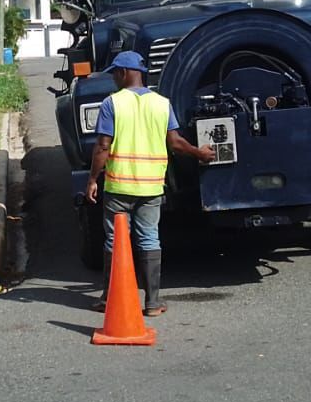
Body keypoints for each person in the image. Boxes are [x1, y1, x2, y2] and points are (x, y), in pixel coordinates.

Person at [85, 50, 215, 316]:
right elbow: (176, 143)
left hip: (120, 186)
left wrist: (92, 179)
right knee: (149, 238)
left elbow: (102, 146)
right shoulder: (161, 103)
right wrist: (199, 153)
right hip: (151, 187)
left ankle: (109, 299)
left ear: (123, 73)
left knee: (115, 241)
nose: (113, 79)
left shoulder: (113, 103)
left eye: (114, 74)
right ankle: (153, 303)